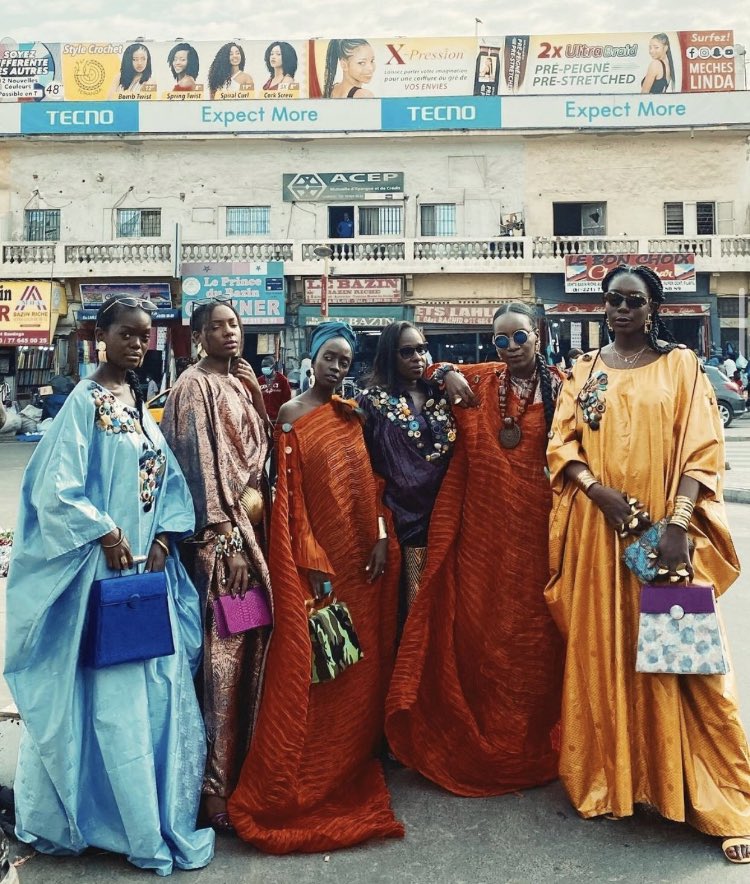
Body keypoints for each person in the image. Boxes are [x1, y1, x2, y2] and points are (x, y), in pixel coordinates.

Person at [545, 264, 750, 864]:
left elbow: (702, 448)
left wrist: (681, 526)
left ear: (654, 306)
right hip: (600, 539)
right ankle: (620, 780)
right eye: (612, 300)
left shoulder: (682, 367)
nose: (621, 309)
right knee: (606, 652)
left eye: (633, 300)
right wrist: (596, 492)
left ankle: (726, 799)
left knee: (690, 668)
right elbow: (562, 444)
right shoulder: (585, 370)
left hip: (663, 540)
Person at [3, 294, 214, 875]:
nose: (138, 345)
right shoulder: (83, 402)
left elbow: (167, 478)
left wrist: (166, 538)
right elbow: (56, 488)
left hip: (146, 575)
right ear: (103, 335)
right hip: (104, 578)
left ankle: (142, 815)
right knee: (112, 699)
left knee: (152, 693)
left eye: (145, 336)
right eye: (128, 334)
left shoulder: (136, 403)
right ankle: (109, 820)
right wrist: (106, 533)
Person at [228, 321, 404, 853]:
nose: (336, 367)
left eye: (345, 361)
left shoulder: (352, 415)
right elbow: (289, 499)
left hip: (361, 560)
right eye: (329, 357)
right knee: (321, 671)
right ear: (312, 358)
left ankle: (356, 754)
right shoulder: (290, 416)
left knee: (362, 664)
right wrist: (311, 557)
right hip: (318, 564)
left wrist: (378, 538)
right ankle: (316, 767)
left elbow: (370, 483)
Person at [386, 302, 565, 796]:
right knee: (482, 635)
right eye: (500, 340)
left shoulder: (565, 387)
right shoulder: (485, 380)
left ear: (540, 335)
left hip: (539, 539)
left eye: (518, 338)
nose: (509, 348)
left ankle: (530, 739)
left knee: (536, 638)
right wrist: (446, 372)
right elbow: (432, 365)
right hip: (484, 537)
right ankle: (483, 731)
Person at [160, 301, 272, 834]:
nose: (230, 332)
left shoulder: (237, 382)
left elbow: (260, 455)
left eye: (235, 324)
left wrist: (253, 394)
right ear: (200, 336)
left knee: (249, 658)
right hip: (223, 549)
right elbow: (197, 467)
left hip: (253, 541)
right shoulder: (192, 387)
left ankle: (241, 772)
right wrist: (223, 541)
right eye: (218, 327)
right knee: (220, 669)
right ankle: (211, 790)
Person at [358, 321, 455, 618]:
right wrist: (380, 530)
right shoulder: (372, 403)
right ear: (390, 355)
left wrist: (448, 371)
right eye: (407, 352)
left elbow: (489, 379)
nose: (418, 357)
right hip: (403, 527)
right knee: (414, 615)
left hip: (449, 521)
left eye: (422, 349)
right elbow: (363, 473)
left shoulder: (442, 395)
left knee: (450, 611)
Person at [258, 355, 292, 422]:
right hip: (263, 420)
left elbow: (287, 401)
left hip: (278, 420)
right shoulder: (258, 381)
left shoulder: (282, 380)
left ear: (273, 366)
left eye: (266, 366)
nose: (264, 368)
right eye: (262, 366)